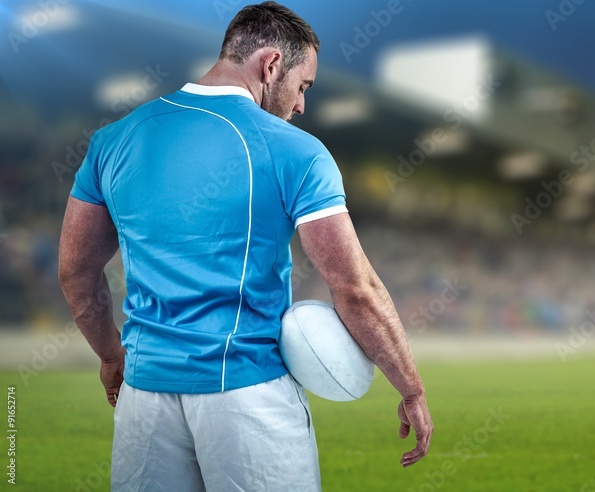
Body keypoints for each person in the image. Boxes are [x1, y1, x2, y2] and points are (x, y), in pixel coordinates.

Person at [57, 2, 432, 490]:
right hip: (248, 397)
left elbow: (75, 273)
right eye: (303, 86)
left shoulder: (113, 141)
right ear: (271, 64)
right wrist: (411, 388)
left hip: (143, 400)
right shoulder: (297, 150)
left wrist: (111, 356)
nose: (301, 105)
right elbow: (355, 289)